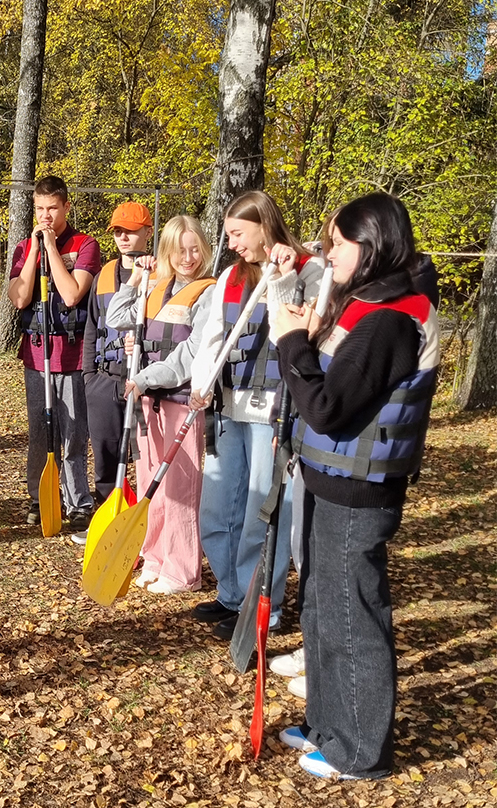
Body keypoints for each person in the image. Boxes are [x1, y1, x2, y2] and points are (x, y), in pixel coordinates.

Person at [273, 192, 438, 780]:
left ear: (372, 246)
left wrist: (292, 341)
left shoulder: (390, 319)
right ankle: (327, 724)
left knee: (352, 615)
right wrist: (310, 331)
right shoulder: (363, 302)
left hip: (359, 490)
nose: (328, 253)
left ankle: (361, 750)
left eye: (338, 244)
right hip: (329, 479)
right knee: (321, 607)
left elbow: (328, 408)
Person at [188, 191, 324, 640]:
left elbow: (302, 333)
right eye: (228, 235)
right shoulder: (231, 276)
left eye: (237, 234)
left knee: (259, 514)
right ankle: (231, 593)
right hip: (229, 407)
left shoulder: (309, 271)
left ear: (264, 226)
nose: (230, 244)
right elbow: (213, 337)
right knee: (218, 509)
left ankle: (264, 606)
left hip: (273, 415)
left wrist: (284, 277)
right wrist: (201, 384)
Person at [105, 215, 217, 592]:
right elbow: (116, 317)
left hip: (180, 400)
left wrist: (143, 378)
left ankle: (182, 571)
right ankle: (154, 556)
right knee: (150, 480)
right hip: (148, 400)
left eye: (195, 249)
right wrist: (137, 279)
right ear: (166, 251)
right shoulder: (156, 285)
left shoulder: (208, 294)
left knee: (179, 487)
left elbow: (190, 355)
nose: (188, 258)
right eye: (179, 250)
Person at [8, 176, 102, 530]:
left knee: (74, 431)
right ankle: (40, 496)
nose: (45, 216)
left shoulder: (85, 244)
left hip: (72, 354)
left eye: (52, 208)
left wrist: (51, 249)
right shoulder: (23, 248)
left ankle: (78, 501)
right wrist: (35, 252)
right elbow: (19, 298)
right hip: (36, 354)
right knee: (40, 430)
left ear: (65, 207)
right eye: (39, 209)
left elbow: (72, 294)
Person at [82, 202, 153, 523]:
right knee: (106, 461)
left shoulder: (161, 275)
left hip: (146, 384)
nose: (123, 238)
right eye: (118, 231)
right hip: (104, 380)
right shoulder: (103, 276)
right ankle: (107, 523)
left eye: (131, 231)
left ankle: (147, 527)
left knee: (147, 459)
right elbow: (91, 327)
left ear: (148, 232)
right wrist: (89, 376)